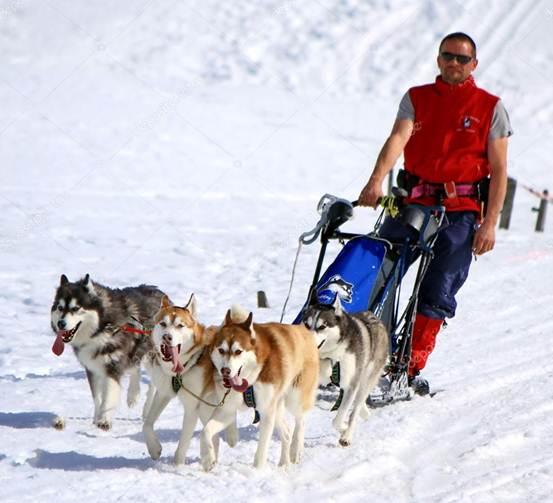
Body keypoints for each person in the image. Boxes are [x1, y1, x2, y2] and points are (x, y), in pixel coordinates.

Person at [358, 32, 513, 394]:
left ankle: (407, 367)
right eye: (448, 56)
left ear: (474, 64)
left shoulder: (490, 106)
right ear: (438, 59)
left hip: (460, 211)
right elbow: (398, 138)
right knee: (376, 270)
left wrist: (489, 223)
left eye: (462, 58)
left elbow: (500, 169)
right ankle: (363, 353)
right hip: (414, 203)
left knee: (438, 287)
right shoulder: (417, 98)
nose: (454, 63)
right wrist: (375, 181)